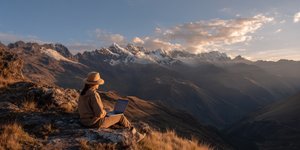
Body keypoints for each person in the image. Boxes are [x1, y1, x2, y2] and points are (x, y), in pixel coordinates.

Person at [78, 71, 145, 142]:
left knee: (108, 110)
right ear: (95, 84)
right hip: (94, 123)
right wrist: (104, 113)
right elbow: (99, 114)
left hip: (84, 121)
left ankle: (123, 128)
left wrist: (105, 111)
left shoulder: (83, 93)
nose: (99, 85)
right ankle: (135, 135)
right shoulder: (94, 94)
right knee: (120, 116)